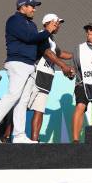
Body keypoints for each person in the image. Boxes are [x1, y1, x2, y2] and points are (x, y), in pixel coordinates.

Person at [0, 0, 59, 144]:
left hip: (29, 65)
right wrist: (47, 31)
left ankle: (19, 135)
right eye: (31, 6)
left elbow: (35, 43)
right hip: (17, 63)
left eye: (34, 6)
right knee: (13, 95)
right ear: (23, 6)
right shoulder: (14, 20)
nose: (34, 9)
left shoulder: (32, 24)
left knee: (23, 101)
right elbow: (28, 38)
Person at [28, 13, 75, 142]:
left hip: (46, 77)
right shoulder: (41, 35)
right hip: (36, 75)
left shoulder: (51, 39)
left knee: (39, 109)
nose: (59, 25)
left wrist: (77, 54)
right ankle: (5, 135)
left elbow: (59, 53)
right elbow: (48, 53)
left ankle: (34, 141)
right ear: (49, 23)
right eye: (57, 22)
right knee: (22, 106)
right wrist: (64, 67)